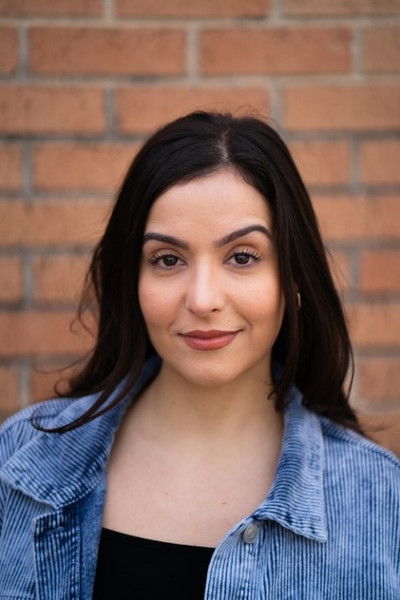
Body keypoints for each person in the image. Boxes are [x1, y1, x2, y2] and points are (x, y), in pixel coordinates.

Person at [0, 111, 398, 600]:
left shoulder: (380, 499)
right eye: (168, 259)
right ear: (132, 282)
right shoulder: (18, 459)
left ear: (294, 279)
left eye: (242, 257)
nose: (203, 299)